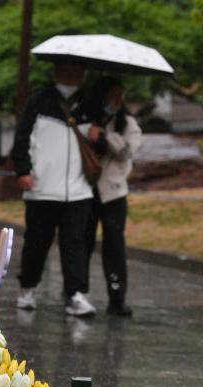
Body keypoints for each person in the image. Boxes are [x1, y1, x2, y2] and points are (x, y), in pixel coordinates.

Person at [11, 60, 97, 317]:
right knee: (37, 242)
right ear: (57, 70)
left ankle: (75, 293)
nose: (73, 74)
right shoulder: (39, 101)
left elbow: (97, 147)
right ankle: (27, 287)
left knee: (75, 243)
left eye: (78, 70)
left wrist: (98, 134)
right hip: (43, 187)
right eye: (68, 68)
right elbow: (22, 138)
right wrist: (23, 170)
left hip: (78, 189)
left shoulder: (89, 103)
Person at [84, 76, 142, 316]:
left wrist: (105, 137)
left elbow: (127, 151)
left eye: (119, 96)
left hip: (115, 192)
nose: (115, 101)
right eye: (111, 95)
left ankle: (117, 297)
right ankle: (76, 292)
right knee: (82, 242)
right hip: (87, 190)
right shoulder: (87, 119)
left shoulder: (127, 123)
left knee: (115, 246)